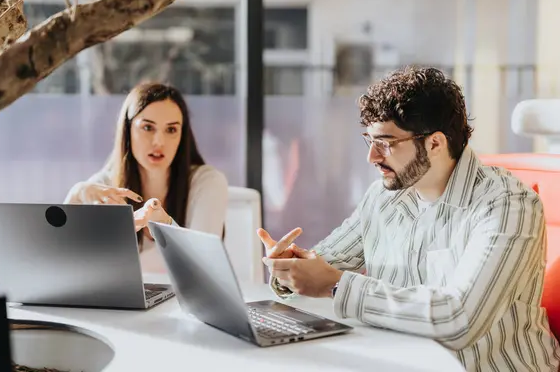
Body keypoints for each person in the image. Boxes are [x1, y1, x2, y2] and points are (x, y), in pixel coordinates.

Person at [258, 67, 560, 372]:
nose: (372, 157)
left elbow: (459, 318)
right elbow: (323, 265)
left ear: (435, 144)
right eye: (370, 140)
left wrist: (336, 286)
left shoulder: (507, 205)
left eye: (386, 143)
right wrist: (290, 267)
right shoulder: (384, 197)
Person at [65, 82, 229, 272]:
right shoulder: (103, 186)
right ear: (128, 130)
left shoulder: (208, 182)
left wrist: (165, 225)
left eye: (171, 130)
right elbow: (66, 268)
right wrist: (74, 197)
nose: (159, 142)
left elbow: (204, 267)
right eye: (147, 128)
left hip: (183, 300)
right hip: (122, 299)